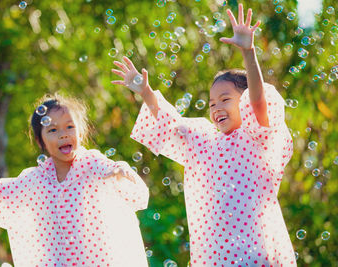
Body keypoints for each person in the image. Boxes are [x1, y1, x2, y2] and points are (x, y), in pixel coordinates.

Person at [112, 4, 296, 266]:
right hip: (214, 257)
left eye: (225, 99)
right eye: (211, 103)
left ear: (243, 101)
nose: (216, 108)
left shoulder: (258, 138)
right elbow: (169, 124)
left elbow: (258, 102)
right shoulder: (203, 141)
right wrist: (146, 93)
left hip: (256, 254)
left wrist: (248, 52)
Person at [0, 93, 149, 266]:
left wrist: (121, 171)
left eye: (70, 126)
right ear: (41, 141)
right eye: (53, 130)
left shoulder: (93, 164)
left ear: (80, 133)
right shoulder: (35, 180)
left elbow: (122, 180)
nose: (63, 134)